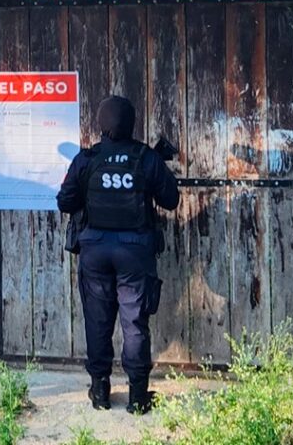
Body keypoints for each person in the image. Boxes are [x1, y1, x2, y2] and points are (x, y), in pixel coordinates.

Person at [57, 95, 179, 414]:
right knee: (134, 322)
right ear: (131, 123)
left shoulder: (88, 159)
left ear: (101, 122)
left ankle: (100, 391)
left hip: (95, 251)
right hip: (134, 252)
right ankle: (137, 396)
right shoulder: (145, 157)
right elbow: (171, 200)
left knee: (98, 322)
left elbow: (65, 202)